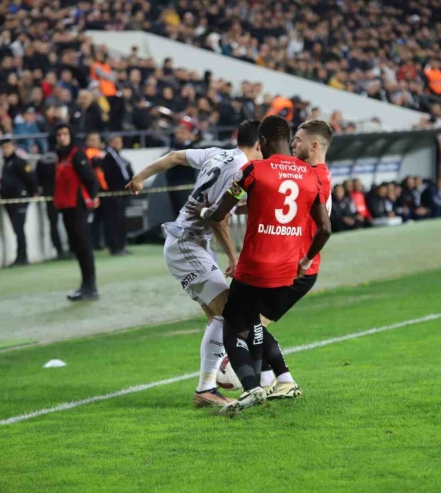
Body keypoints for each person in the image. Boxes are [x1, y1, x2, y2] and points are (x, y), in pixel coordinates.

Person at [193, 115, 331, 415]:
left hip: (254, 266)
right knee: (254, 323)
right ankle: (276, 379)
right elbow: (325, 228)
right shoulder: (310, 175)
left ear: (263, 142)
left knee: (232, 325)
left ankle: (253, 384)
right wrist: (306, 260)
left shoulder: (253, 169)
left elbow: (219, 214)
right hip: (288, 270)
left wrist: (205, 212)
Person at [125, 120, 262, 408]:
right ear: (259, 145)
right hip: (187, 243)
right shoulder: (240, 169)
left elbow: (175, 157)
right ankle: (207, 389)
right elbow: (218, 218)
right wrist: (234, 257)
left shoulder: (217, 153)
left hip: (190, 243)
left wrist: (141, 176)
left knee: (219, 317)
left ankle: (213, 381)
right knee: (229, 313)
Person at [255, 119, 333, 392]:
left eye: (298, 139)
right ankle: (269, 380)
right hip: (292, 266)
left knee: (247, 322)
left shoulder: (315, 177)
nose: (293, 143)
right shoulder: (313, 175)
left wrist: (305, 260)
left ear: (314, 145)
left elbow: (324, 229)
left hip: (297, 268)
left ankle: (282, 379)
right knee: (251, 322)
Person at [53, 124, 100, 300]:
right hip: (66, 207)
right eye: (59, 134)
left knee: (84, 246)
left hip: (77, 206)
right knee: (77, 247)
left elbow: (89, 177)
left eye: (65, 134)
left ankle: (91, 287)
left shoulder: (76, 154)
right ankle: (85, 285)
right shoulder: (61, 155)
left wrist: (94, 196)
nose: (62, 137)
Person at [0, 139, 37, 266]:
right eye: (4, 147)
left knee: (19, 229)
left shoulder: (20, 162)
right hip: (9, 201)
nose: (5, 149)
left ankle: (22, 257)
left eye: (8, 147)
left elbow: (31, 179)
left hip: (19, 200)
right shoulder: (6, 163)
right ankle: (20, 256)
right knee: (17, 229)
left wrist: (28, 196)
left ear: (13, 147)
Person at [102, 135, 134, 255]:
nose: (118, 144)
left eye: (119, 142)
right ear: (110, 143)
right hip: (113, 194)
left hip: (120, 194)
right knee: (114, 221)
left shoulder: (118, 157)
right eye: (116, 142)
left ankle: (121, 245)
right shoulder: (109, 157)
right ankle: (115, 247)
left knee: (120, 221)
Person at [36, 152, 65, 259]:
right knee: (70, 223)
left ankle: (59, 250)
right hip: (64, 194)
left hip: (50, 195)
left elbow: (37, 179)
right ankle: (72, 249)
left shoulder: (42, 159)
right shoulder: (64, 156)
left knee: (53, 224)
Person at [166, 121, 198, 216]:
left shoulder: (191, 149)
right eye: (177, 133)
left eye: (182, 133)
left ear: (188, 135)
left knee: (185, 213)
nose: (179, 136)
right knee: (176, 212)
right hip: (173, 184)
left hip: (185, 184)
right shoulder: (173, 148)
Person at [83, 133, 108, 251]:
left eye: (96, 140)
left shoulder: (98, 152)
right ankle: (94, 242)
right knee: (94, 218)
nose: (95, 142)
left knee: (99, 218)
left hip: (101, 188)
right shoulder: (89, 153)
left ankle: (98, 242)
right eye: (92, 140)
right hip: (93, 190)